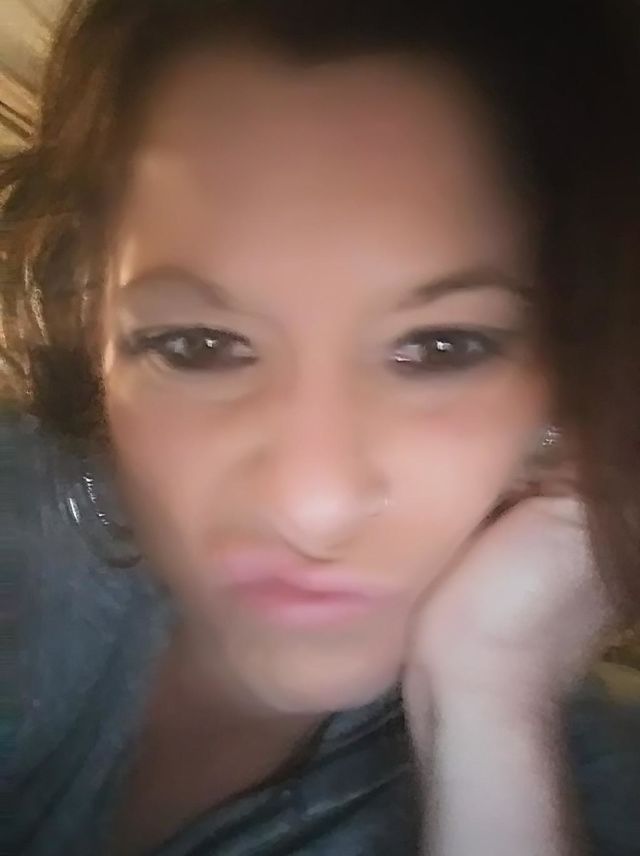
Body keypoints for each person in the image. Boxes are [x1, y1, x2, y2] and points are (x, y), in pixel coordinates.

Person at [3, 1, 640, 854]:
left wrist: (490, 705)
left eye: (441, 348)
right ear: (94, 336)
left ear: (568, 376)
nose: (312, 504)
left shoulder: (592, 802)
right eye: (198, 346)